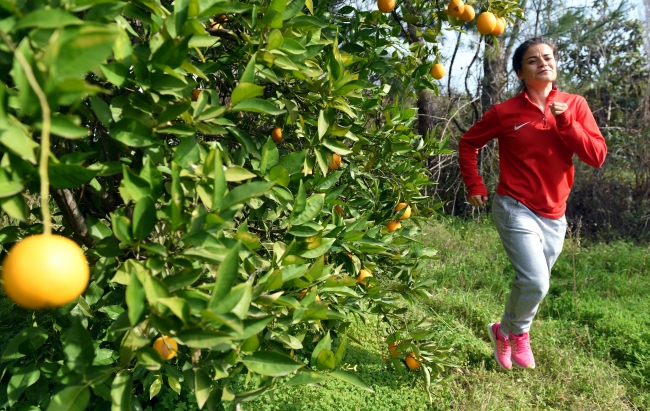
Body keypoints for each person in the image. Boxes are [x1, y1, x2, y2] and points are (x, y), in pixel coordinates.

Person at [457, 37, 607, 370]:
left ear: (555, 64)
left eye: (548, 57)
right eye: (533, 60)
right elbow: (468, 144)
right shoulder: (505, 112)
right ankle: (519, 334)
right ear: (520, 72)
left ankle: (502, 330)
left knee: (531, 284)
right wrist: (474, 183)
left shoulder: (575, 105)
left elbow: (596, 156)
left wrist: (566, 122)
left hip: (555, 214)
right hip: (514, 206)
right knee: (537, 281)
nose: (543, 63)